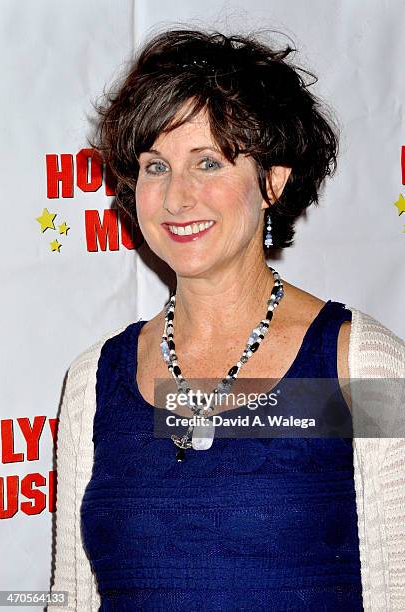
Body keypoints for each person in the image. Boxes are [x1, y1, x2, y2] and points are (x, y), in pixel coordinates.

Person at [48, 29, 405, 611]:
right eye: (155, 166)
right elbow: (73, 598)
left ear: (272, 182)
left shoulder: (358, 367)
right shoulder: (94, 382)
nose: (177, 198)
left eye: (207, 162)